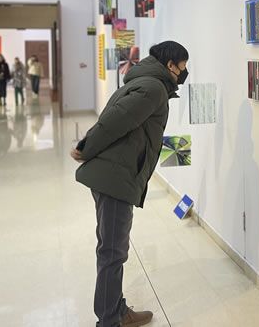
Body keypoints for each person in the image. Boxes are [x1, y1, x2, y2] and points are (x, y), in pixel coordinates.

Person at [70, 41, 189, 327]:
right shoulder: (153, 88)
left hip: (115, 174)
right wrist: (86, 147)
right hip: (116, 178)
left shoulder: (143, 81)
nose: (183, 74)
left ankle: (116, 310)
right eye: (182, 68)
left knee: (111, 249)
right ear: (169, 65)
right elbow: (114, 121)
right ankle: (110, 320)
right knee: (113, 253)